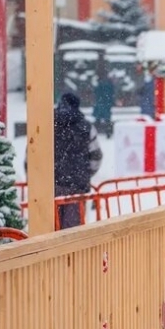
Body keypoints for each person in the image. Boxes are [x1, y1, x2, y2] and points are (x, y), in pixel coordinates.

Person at [53, 92, 102, 230]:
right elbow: (96, 156)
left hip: (51, 187)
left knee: (50, 230)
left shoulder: (47, 125)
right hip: (77, 187)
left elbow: (32, 155)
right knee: (73, 232)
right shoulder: (86, 127)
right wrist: (85, 173)